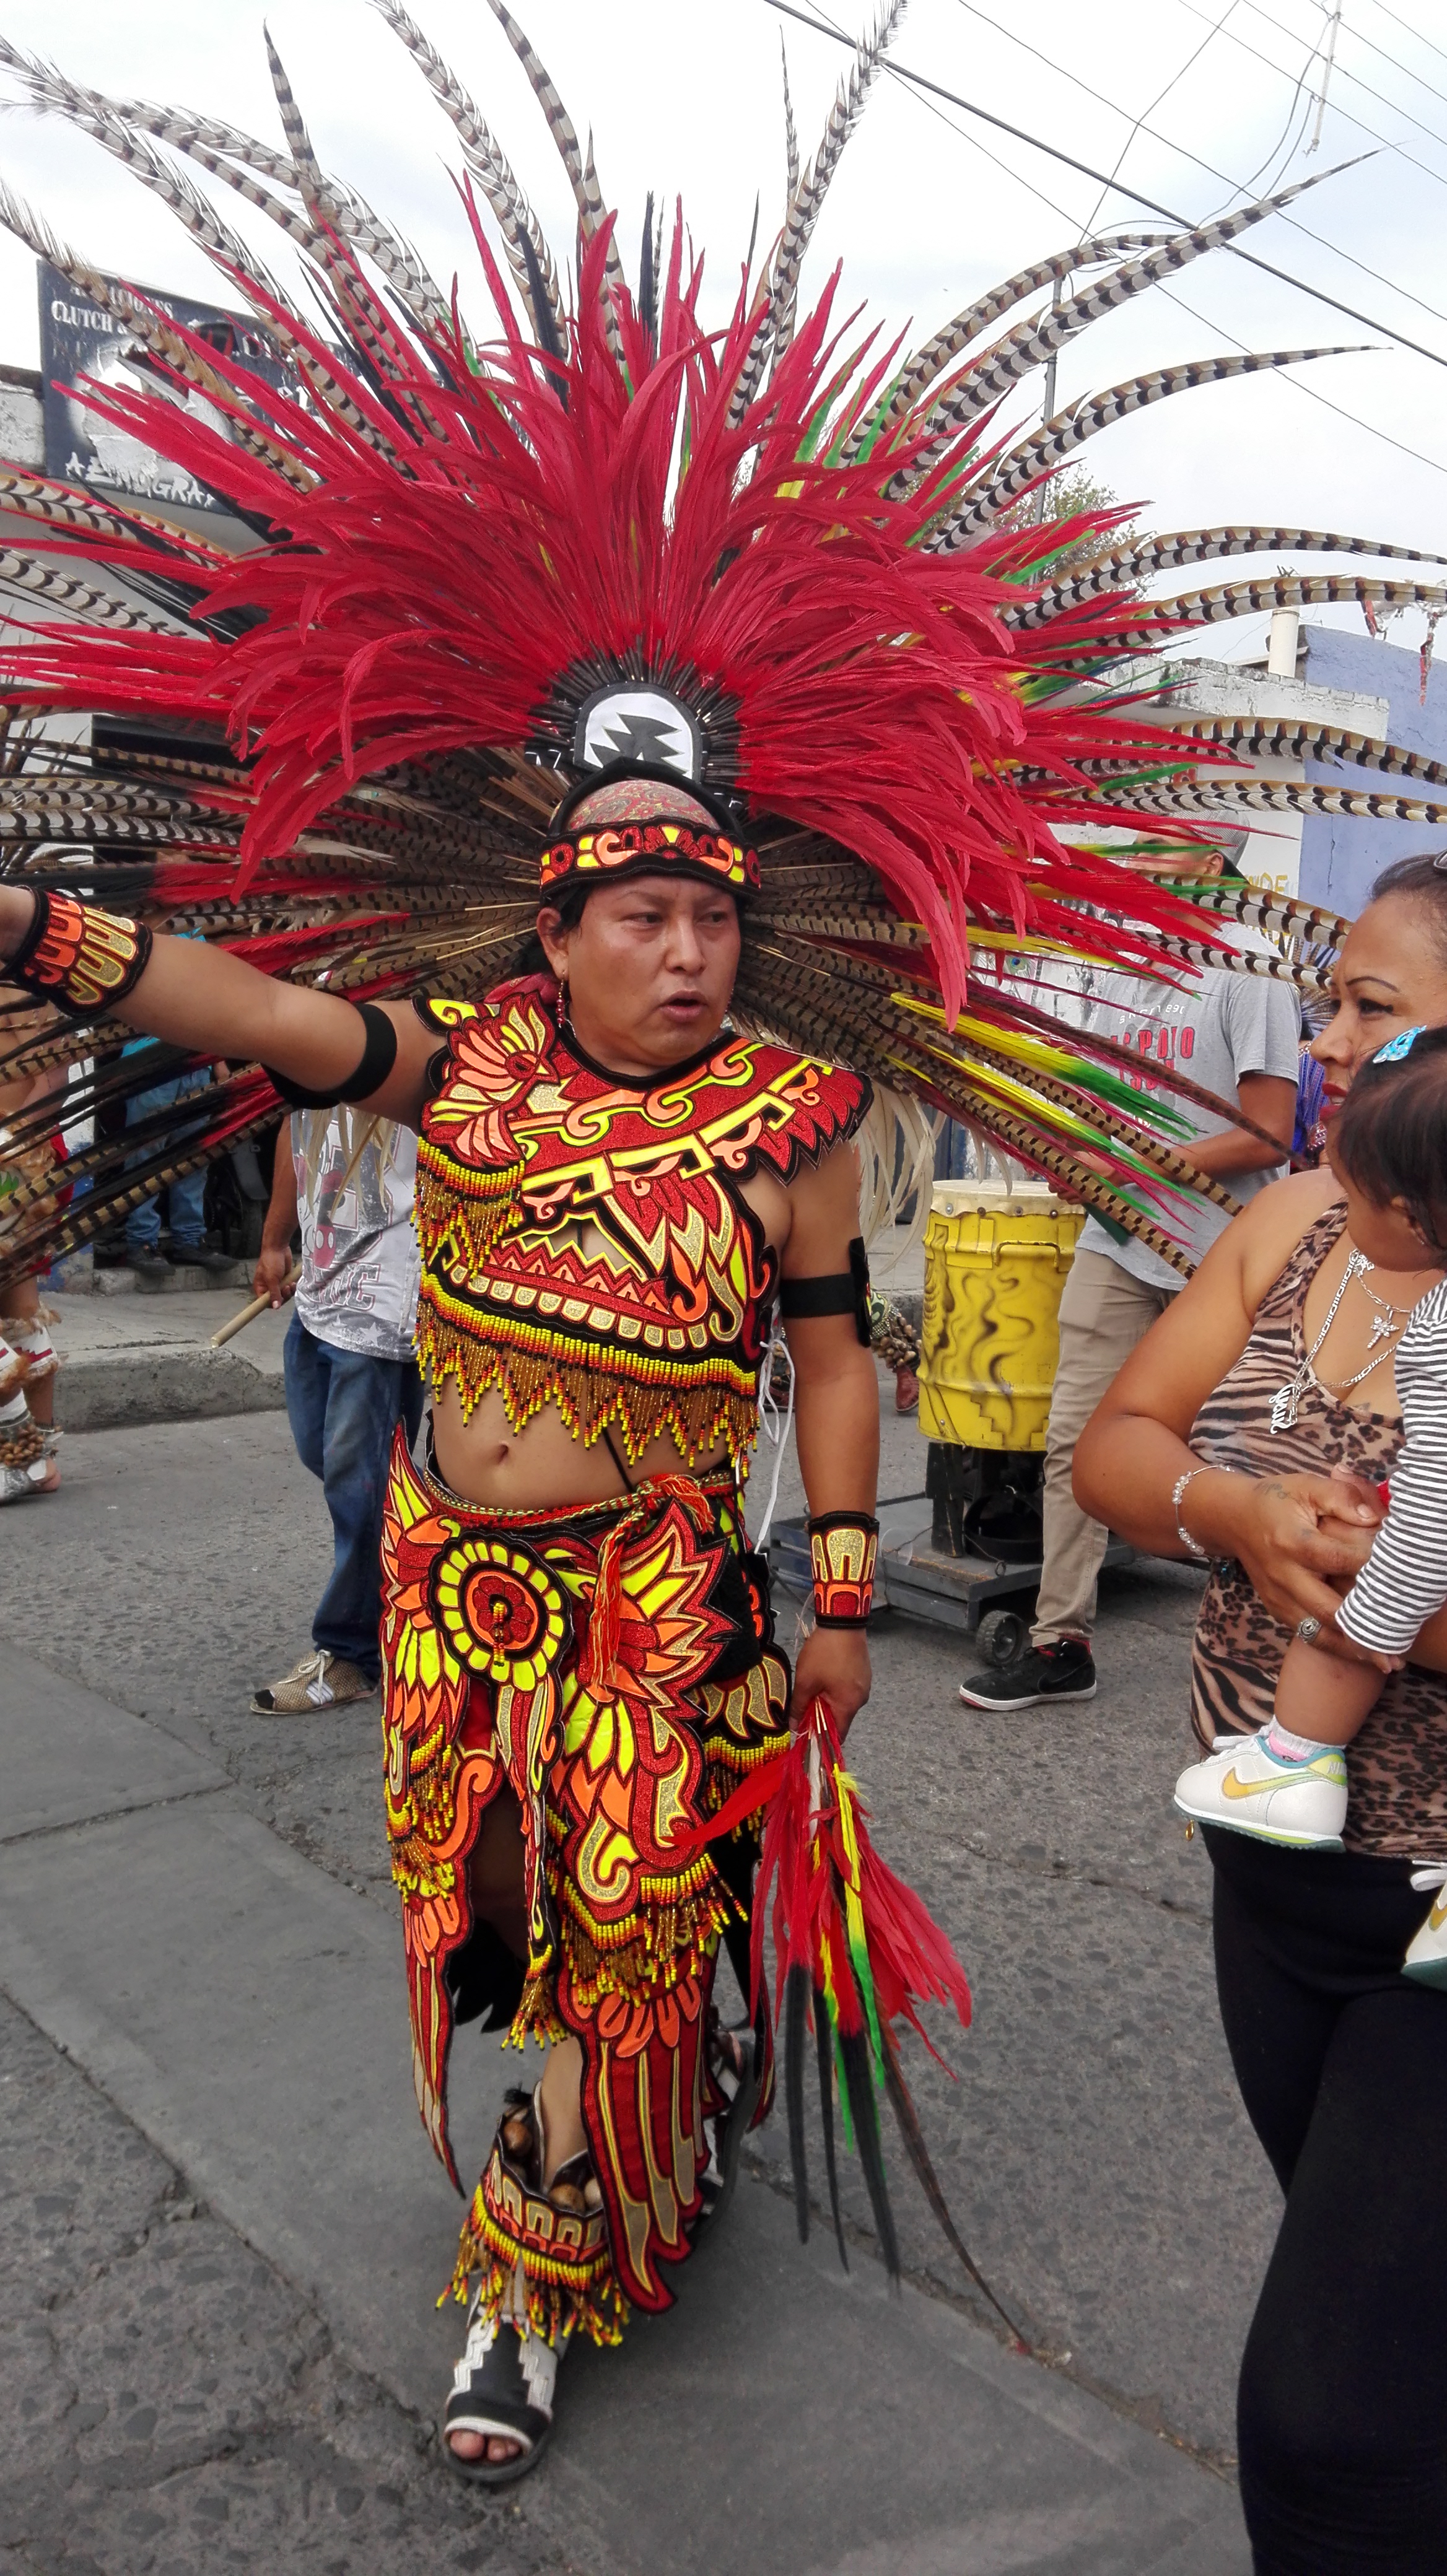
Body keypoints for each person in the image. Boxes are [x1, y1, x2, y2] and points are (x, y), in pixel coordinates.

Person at [1073, 851, 1447, 2575]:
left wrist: (1384, 1605)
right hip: (1272, 1876)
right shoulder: (1299, 1219)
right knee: (1384, 2319)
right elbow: (1121, 1448)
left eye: (1371, 1006)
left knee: (1326, 2429)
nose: (1325, 1034)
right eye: (1334, 996)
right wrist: (1233, 1515)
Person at [960, 944, 1300, 1712]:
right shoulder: (1113, 971)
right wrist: (1075, 1154)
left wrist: (1129, 1165)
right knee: (1077, 1443)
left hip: (1224, 1253)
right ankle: (1060, 1643)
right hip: (1117, 1241)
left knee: (1250, 1454)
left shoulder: (1247, 968)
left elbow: (1268, 1131)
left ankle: (1278, 1663)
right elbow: (1105, 1116)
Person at [250, 1105, 424, 1715]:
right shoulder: (318, 1054)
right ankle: (418, 1584)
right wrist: (275, 1239)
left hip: (381, 1315)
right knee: (337, 1464)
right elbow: (291, 1130)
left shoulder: (407, 1047)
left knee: (360, 1490)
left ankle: (349, 1652)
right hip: (318, 1294)